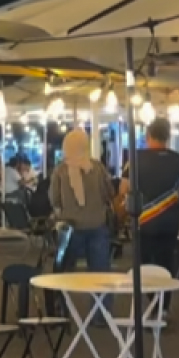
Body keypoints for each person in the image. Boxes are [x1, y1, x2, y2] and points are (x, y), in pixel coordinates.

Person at [120, 118, 179, 318]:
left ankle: (151, 304)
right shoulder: (178, 160)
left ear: (148, 136)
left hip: (143, 221)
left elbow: (124, 189)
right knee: (166, 263)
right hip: (170, 221)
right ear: (167, 136)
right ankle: (164, 307)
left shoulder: (135, 158)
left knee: (144, 264)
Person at [51, 129, 115, 321]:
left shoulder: (60, 170)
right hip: (97, 226)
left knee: (63, 272)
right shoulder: (97, 168)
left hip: (70, 229)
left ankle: (61, 311)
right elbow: (109, 193)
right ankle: (100, 315)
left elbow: (54, 199)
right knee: (100, 273)